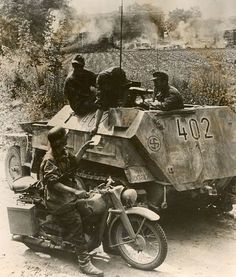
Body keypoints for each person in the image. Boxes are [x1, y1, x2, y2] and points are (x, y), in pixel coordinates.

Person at [39, 126, 103, 276]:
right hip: (57, 199)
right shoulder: (50, 159)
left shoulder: (63, 152)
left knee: (89, 210)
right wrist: (75, 191)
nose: (68, 137)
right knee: (76, 223)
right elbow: (53, 184)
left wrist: (84, 148)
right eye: (65, 136)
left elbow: (73, 163)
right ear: (59, 141)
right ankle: (84, 262)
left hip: (69, 194)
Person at [91, 67, 130, 135]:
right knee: (102, 103)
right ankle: (95, 126)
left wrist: (123, 105)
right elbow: (101, 105)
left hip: (113, 80)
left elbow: (126, 90)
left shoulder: (121, 76)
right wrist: (96, 126)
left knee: (113, 101)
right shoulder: (103, 79)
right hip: (103, 79)